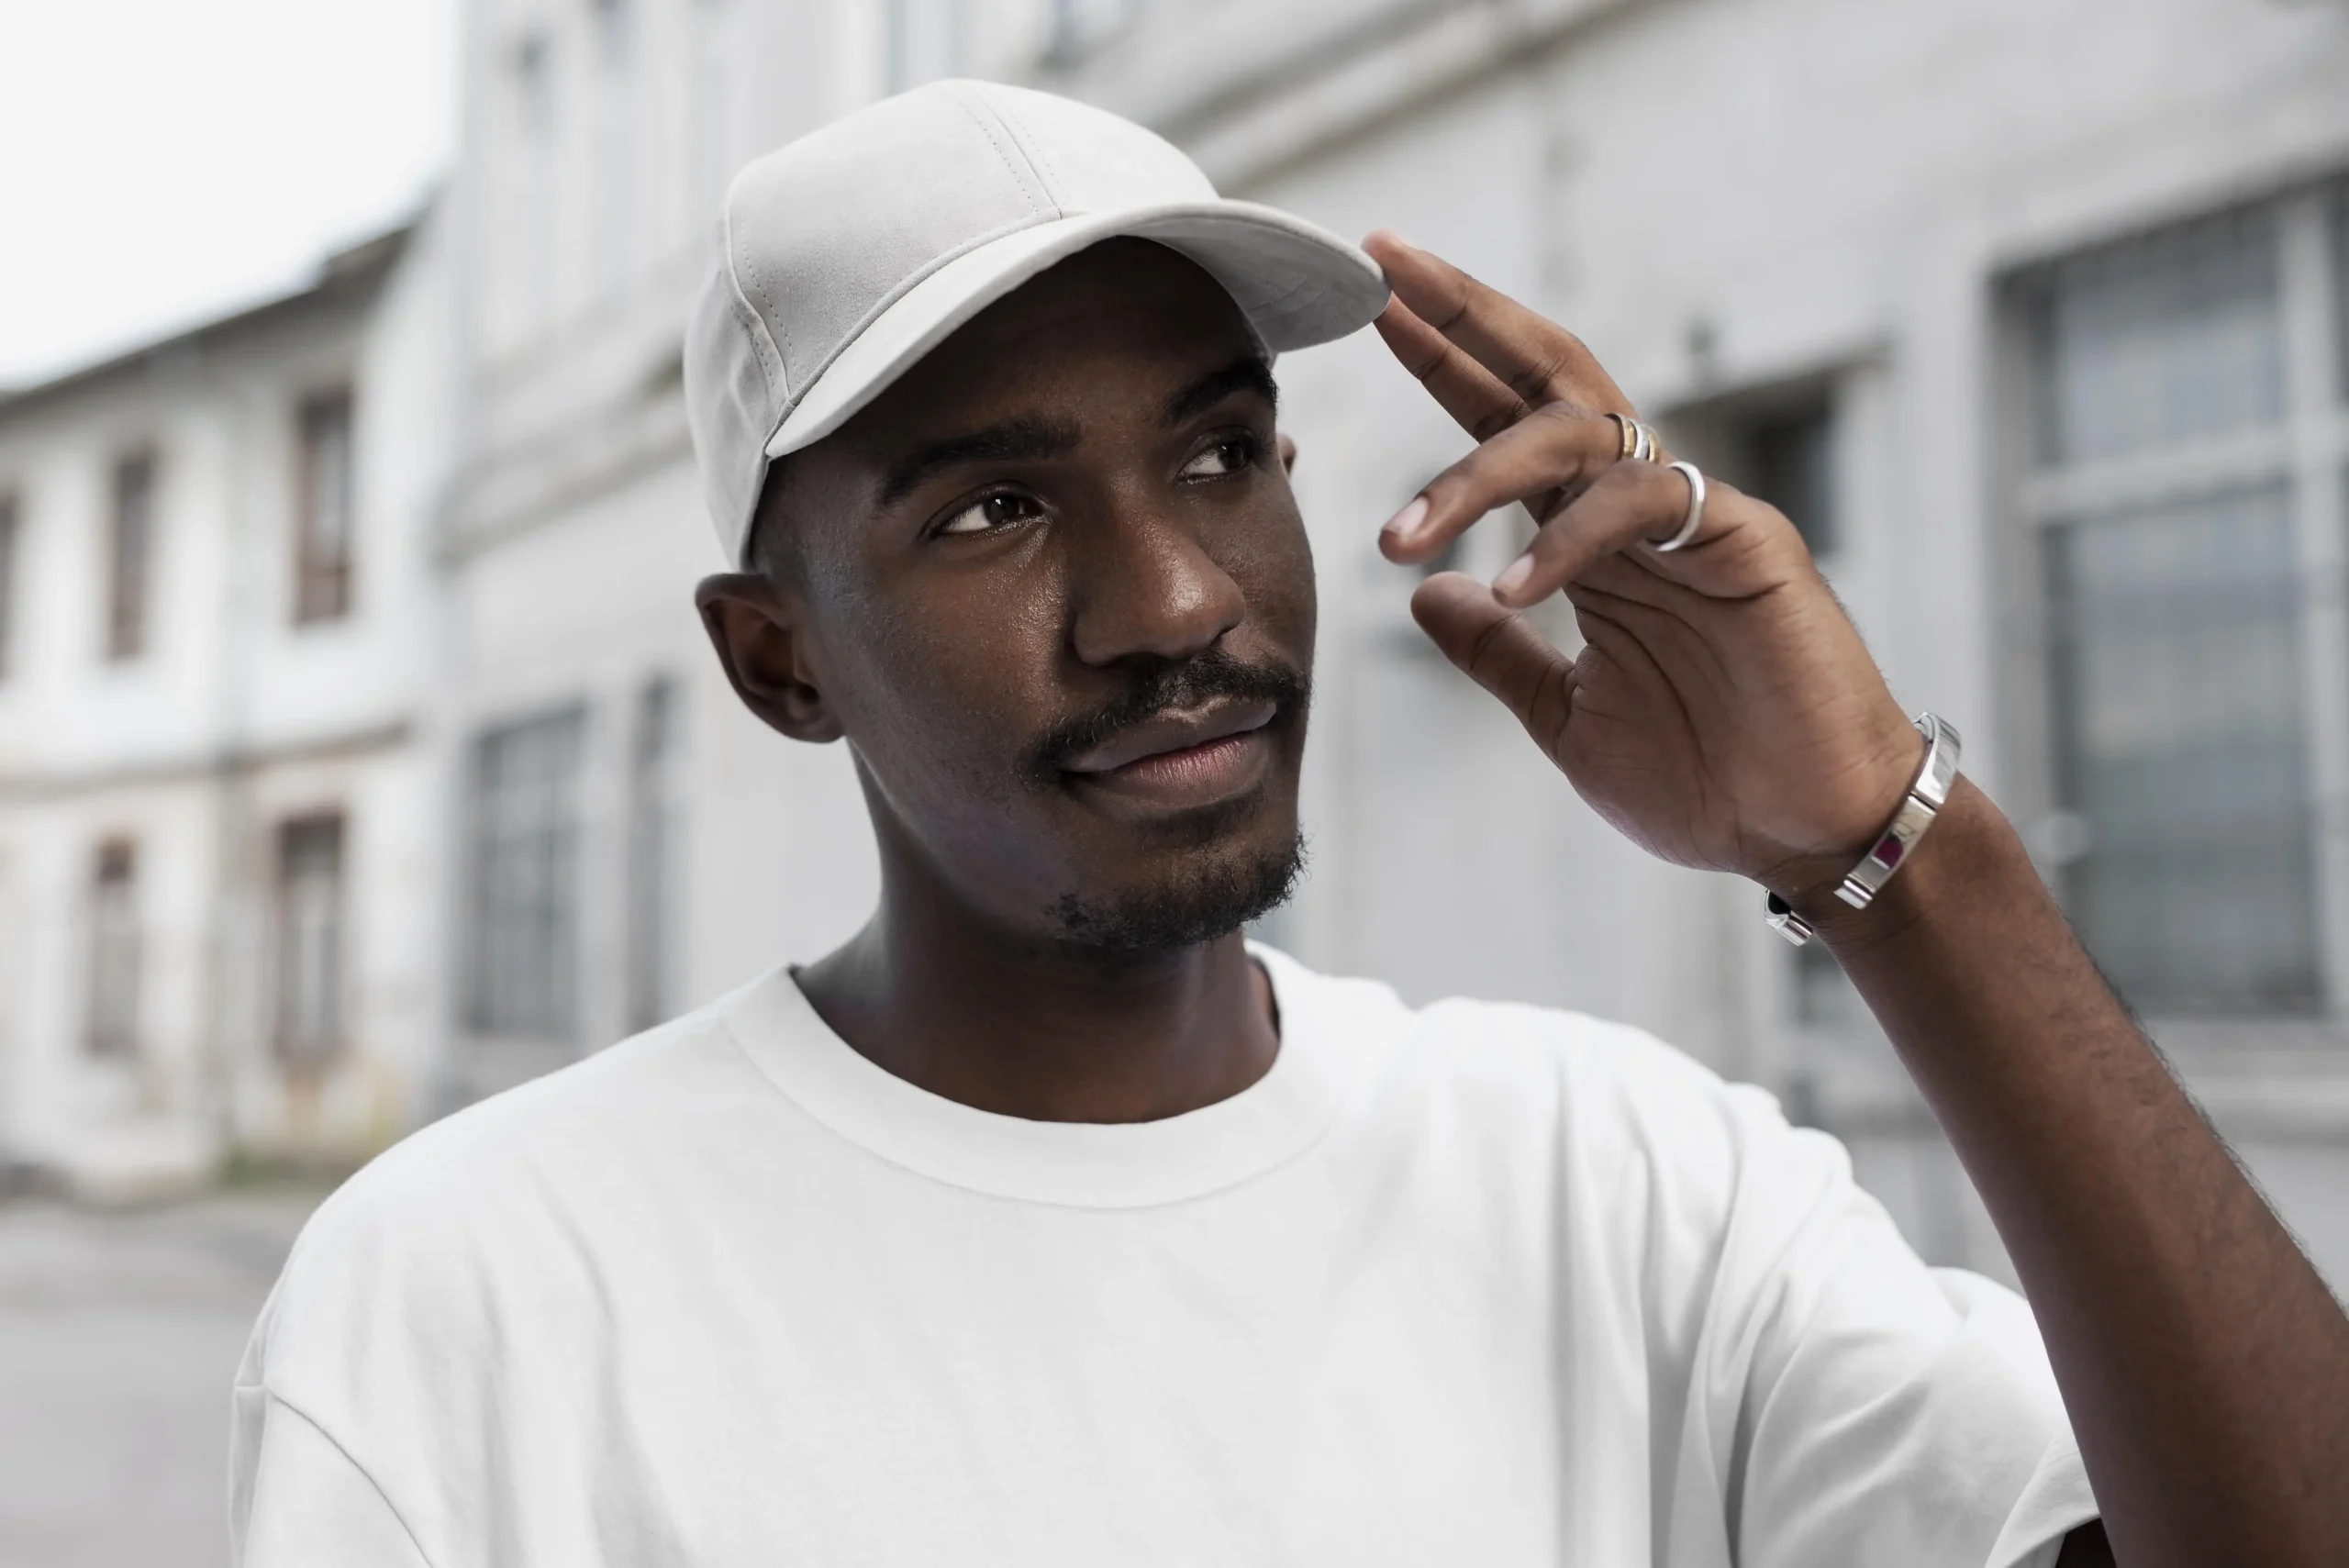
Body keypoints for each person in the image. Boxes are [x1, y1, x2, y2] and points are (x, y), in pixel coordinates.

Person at [228, 81, 2348, 1568]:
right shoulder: (475, 1293)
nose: (1171, 601)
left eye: (1219, 455)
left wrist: (1896, 856)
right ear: (778, 658)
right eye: (992, 506)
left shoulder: (1628, 1192)